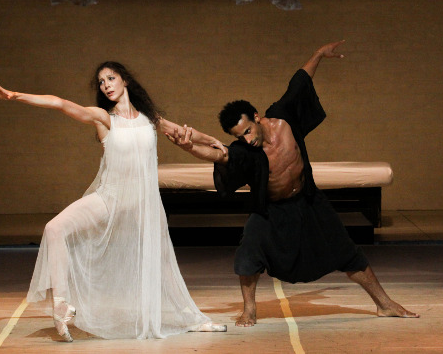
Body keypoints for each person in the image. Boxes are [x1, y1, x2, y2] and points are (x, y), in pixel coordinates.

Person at [165, 40, 419, 327]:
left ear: (258, 117)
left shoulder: (284, 115)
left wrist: (319, 54)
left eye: (248, 130)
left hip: (309, 200)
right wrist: (188, 146)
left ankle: (384, 304)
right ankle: (249, 310)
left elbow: (300, 80)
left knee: (346, 250)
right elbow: (217, 154)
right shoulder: (245, 151)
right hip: (271, 209)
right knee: (249, 250)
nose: (247, 139)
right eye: (240, 136)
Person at [0, 61, 227, 342]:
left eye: (111, 78)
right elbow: (61, 104)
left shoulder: (150, 119)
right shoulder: (104, 118)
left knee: (162, 263)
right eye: (101, 82)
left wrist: (213, 140)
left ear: (124, 80)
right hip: (109, 199)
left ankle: (192, 318)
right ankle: (61, 305)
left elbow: (183, 133)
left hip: (143, 205)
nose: (106, 85)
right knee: (54, 228)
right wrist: (15, 96)